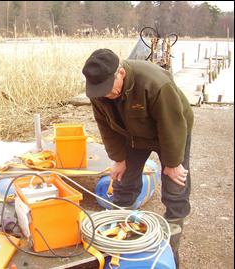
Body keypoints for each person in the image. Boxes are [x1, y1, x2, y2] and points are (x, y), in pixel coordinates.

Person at [82, 48, 193, 268]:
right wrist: (119, 159)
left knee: (175, 185)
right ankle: (119, 236)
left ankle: (170, 245)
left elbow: (172, 124)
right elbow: (106, 127)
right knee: (123, 183)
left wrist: (172, 163)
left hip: (171, 129)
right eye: (99, 90)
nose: (104, 94)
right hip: (132, 135)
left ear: (120, 73)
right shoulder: (98, 92)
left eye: (107, 88)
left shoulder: (155, 84)